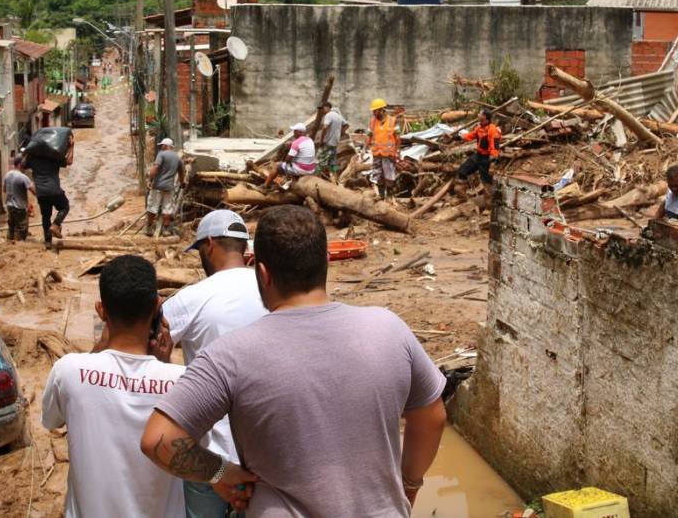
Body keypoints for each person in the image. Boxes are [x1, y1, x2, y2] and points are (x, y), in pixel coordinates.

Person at [141, 205, 447, 516]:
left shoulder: (229, 355)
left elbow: (158, 440)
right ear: (327, 262)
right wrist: (409, 483)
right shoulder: (389, 329)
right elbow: (432, 418)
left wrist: (220, 473)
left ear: (263, 273)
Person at [42, 255, 186, 518]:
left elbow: (51, 421)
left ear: (101, 310)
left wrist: (97, 350)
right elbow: (200, 454)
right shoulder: (182, 381)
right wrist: (164, 365)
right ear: (156, 307)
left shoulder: (69, 370)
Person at [154, 209, 268, 517]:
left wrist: (165, 364)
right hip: (268, 452)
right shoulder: (273, 290)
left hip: (213, 460)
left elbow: (144, 345)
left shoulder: (193, 298)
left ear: (210, 245)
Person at [24, 133, 74, 247]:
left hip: (41, 193)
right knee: (65, 207)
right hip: (54, 190)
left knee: (45, 216)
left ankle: (47, 241)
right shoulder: (53, 157)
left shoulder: (32, 159)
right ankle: (56, 224)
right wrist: (71, 146)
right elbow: (69, 161)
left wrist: (28, 152)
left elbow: (22, 165)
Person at [147, 138, 186, 237]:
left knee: (153, 206)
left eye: (162, 145)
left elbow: (155, 168)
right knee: (167, 208)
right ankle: (166, 230)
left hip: (158, 186)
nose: (161, 147)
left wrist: (149, 180)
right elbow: (181, 172)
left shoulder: (161, 154)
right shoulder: (177, 157)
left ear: (166, 146)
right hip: (169, 187)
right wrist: (182, 183)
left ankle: (149, 227)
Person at [263, 123, 316, 187]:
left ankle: (265, 186)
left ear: (299, 132)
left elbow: (287, 160)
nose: (293, 133)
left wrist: (284, 159)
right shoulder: (309, 140)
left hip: (302, 169)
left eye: (294, 131)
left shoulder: (296, 143)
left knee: (277, 166)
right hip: (311, 169)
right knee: (292, 162)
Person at [457, 110, 502, 185]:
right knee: (462, 171)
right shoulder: (479, 127)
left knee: (485, 179)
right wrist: (457, 137)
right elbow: (470, 136)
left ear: (484, 116)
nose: (477, 114)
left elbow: (495, 145)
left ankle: (491, 189)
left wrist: (492, 158)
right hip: (478, 155)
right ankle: (466, 185)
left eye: (479, 113)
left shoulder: (492, 130)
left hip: (486, 157)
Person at [369, 98, 401, 200]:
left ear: (382, 110)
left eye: (376, 110)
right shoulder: (373, 122)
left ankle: (391, 196)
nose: (374, 113)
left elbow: (398, 138)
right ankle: (381, 196)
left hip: (389, 154)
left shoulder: (392, 121)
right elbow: (369, 136)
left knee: (389, 176)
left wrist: (397, 151)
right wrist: (365, 149)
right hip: (377, 153)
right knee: (378, 175)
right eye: (373, 111)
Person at [3, 156, 35, 242]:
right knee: (22, 229)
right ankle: (19, 246)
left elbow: (4, 190)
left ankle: (9, 245)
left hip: (9, 206)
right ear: (20, 164)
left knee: (11, 228)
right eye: (24, 163)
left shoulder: (7, 175)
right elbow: (34, 192)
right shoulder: (23, 177)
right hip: (20, 208)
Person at [315, 102, 348, 181]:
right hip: (334, 143)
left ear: (327, 107)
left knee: (318, 161)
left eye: (322, 109)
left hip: (327, 143)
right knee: (332, 164)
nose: (322, 111)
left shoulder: (328, 115)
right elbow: (346, 125)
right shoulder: (338, 116)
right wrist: (340, 134)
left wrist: (321, 140)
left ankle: (316, 180)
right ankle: (335, 180)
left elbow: (325, 127)